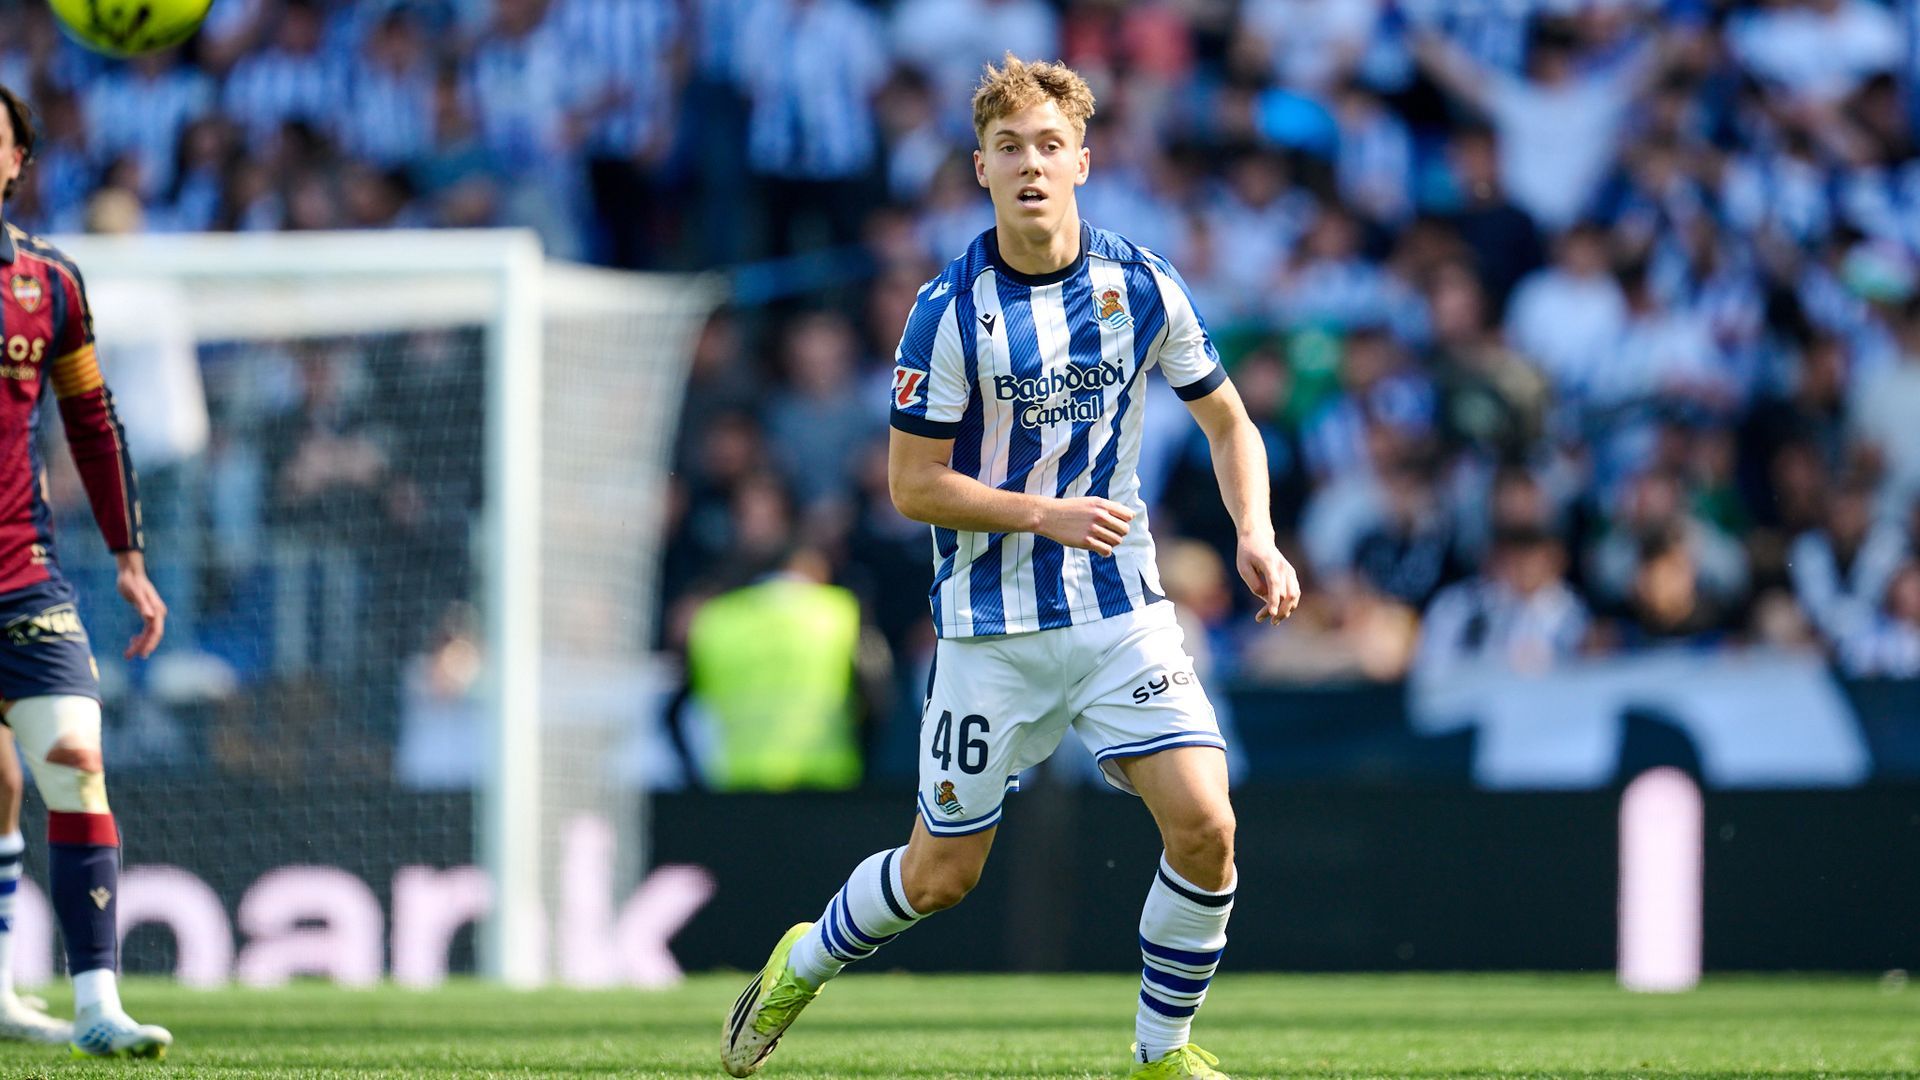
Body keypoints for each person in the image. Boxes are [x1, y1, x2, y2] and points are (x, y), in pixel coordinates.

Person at [722, 56, 1300, 1080]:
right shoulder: (946, 312)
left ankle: (1160, 1056)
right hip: (992, 630)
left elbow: (1229, 419)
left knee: (1208, 825)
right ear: (978, 170)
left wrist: (1254, 531)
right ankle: (800, 962)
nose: (1029, 164)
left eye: (1048, 146)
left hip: (1123, 611)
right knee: (942, 876)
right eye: (1007, 149)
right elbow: (911, 485)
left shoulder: (1141, 283)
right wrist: (1045, 512)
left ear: (1083, 160)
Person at [0, 85, 172, 1058]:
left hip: (24, 576)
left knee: (74, 763)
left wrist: (128, 557)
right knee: (3, 791)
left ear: (17, 159)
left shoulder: (50, 285)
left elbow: (93, 422)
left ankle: (98, 1004)